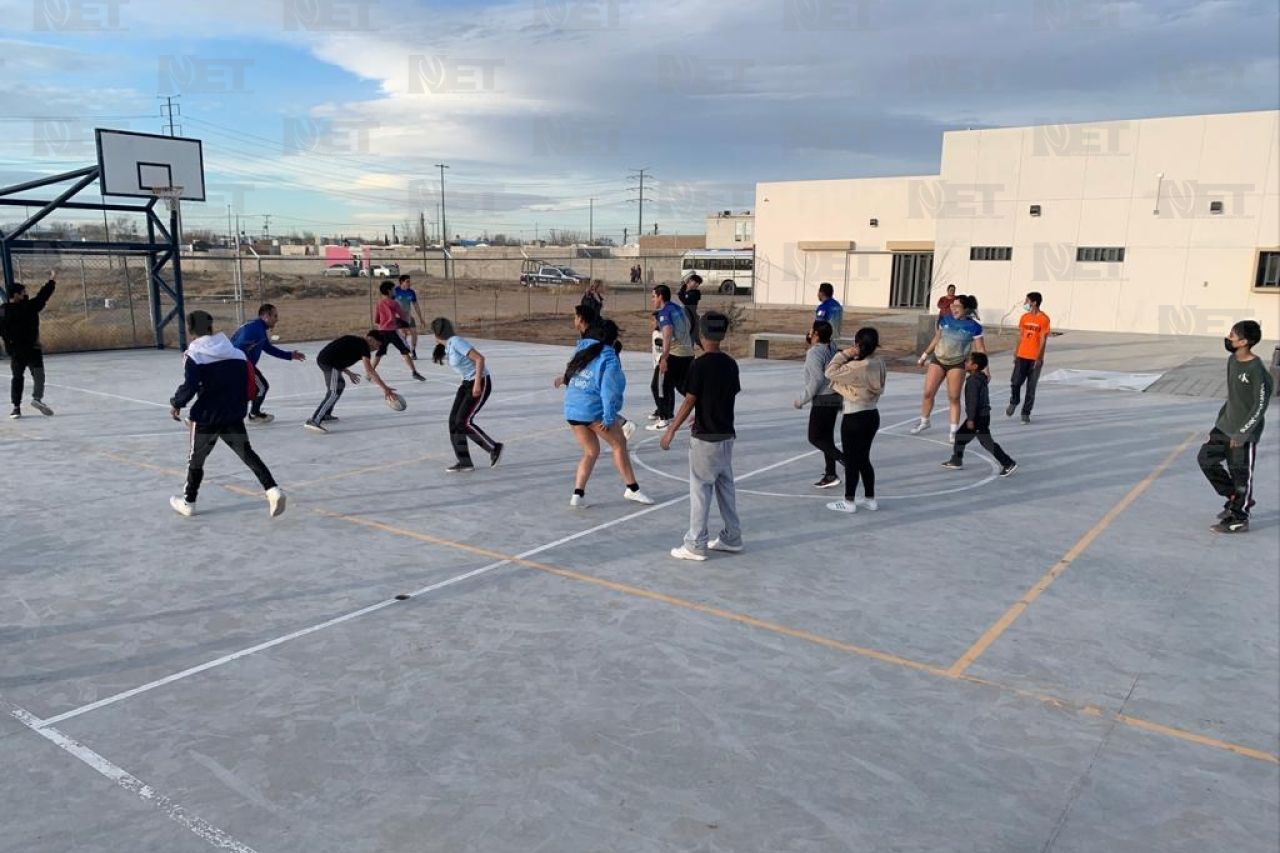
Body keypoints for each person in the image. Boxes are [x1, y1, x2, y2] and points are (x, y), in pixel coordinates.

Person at [168, 310, 285, 518]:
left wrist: (177, 403)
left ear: (190, 330)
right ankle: (273, 490)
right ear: (212, 327)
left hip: (207, 416)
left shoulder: (194, 355)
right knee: (247, 453)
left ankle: (189, 502)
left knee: (196, 460)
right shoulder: (236, 353)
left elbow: (191, 385)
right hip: (233, 413)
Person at [660, 312, 742, 561]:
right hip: (726, 435)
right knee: (725, 488)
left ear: (701, 335)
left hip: (706, 439)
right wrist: (707, 412)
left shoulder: (699, 364)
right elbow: (725, 396)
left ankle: (696, 543)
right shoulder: (730, 363)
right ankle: (732, 536)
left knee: (700, 490)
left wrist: (671, 429)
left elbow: (690, 399)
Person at [556, 307, 653, 508]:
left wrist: (564, 380)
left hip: (572, 409)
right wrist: (610, 418)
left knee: (591, 452)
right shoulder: (608, 357)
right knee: (619, 444)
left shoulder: (583, 348)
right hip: (592, 411)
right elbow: (610, 392)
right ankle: (632, 489)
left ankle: (577, 495)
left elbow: (572, 373)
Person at [1198, 320, 1272, 534]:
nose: (1228, 338)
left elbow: (1260, 405)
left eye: (1232, 335)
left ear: (1244, 341)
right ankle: (1234, 497)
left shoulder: (1257, 370)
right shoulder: (1232, 360)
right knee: (1206, 459)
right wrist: (1220, 421)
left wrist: (1242, 433)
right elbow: (1233, 396)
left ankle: (1239, 518)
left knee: (1241, 475)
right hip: (1224, 426)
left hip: (1244, 432)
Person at [824, 327, 887, 513]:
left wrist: (845, 354)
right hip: (872, 414)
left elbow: (830, 372)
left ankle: (849, 501)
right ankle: (870, 498)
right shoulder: (879, 362)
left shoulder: (857, 366)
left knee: (852, 460)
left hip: (855, 416)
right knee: (864, 459)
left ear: (858, 344)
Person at [430, 317, 502, 472]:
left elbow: (479, 359)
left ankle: (494, 448)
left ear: (436, 333)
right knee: (453, 422)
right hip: (466, 383)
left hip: (480, 382)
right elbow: (464, 365)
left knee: (464, 422)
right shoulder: (448, 345)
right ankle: (464, 462)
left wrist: (476, 384)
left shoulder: (456, 341)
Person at [912, 294, 986, 441]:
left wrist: (984, 370)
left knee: (953, 397)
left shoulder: (974, 327)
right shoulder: (945, 319)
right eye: (952, 306)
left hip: (958, 363)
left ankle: (953, 431)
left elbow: (980, 350)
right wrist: (924, 356)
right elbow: (936, 338)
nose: (953, 309)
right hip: (938, 360)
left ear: (966, 309)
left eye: (957, 306)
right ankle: (924, 421)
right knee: (928, 392)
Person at [305, 331, 398, 432]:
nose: (377, 348)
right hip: (329, 362)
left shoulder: (357, 343)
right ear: (370, 339)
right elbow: (370, 370)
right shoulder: (363, 345)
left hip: (330, 361)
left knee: (339, 386)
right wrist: (385, 388)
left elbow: (339, 354)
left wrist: (349, 373)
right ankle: (314, 420)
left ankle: (326, 414)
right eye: (377, 344)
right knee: (335, 391)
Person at [942, 351, 1017, 477]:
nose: (965, 363)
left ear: (974, 366)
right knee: (960, 436)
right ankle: (956, 460)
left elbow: (973, 402)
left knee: (986, 442)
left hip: (977, 417)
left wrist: (971, 419)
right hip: (982, 415)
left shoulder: (972, 381)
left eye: (968, 362)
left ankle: (1008, 463)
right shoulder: (981, 378)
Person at [230, 303, 306, 425]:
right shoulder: (253, 330)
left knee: (253, 389)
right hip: (240, 365)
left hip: (242, 365)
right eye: (275, 316)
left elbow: (268, 348)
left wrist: (290, 355)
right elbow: (236, 348)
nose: (277, 319)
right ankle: (254, 414)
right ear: (266, 316)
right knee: (261, 387)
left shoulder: (258, 328)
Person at [792, 320, 842, 489]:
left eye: (811, 330)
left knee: (814, 437)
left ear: (816, 335)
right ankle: (830, 474)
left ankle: (846, 461)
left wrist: (802, 399)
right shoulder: (832, 346)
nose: (808, 333)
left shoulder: (814, 353)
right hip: (834, 397)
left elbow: (817, 379)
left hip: (823, 399)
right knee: (827, 438)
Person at [3, 271, 57, 419]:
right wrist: (51, 281)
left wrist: (9, 345)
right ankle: (37, 398)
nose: (25, 294)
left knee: (17, 377)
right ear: (15, 295)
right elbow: (42, 297)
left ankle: (16, 408)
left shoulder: (3, 310)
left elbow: (2, 331)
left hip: (16, 351)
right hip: (32, 348)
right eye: (23, 292)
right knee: (38, 375)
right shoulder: (30, 307)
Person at [647, 284, 695, 430]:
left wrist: (665, 358)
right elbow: (688, 326)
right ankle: (705, 405)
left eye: (654, 296)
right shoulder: (678, 308)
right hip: (688, 353)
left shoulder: (664, 313)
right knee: (681, 386)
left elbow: (667, 333)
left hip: (675, 354)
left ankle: (664, 418)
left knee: (658, 385)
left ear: (661, 297)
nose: (652, 300)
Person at [1006, 291, 1050, 424]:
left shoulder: (1044, 319)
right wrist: (1016, 351)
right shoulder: (1024, 317)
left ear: (1034, 302)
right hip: (1022, 355)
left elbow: (1043, 340)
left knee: (1031, 388)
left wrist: (1039, 357)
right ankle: (1014, 401)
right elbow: (1021, 335)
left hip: (1034, 358)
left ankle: (1026, 413)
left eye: (1027, 301)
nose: (1025, 303)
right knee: (1015, 382)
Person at [370, 280, 426, 381]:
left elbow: (376, 320)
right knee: (404, 351)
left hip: (382, 332)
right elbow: (403, 316)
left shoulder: (379, 303)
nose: (395, 291)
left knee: (379, 353)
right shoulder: (394, 303)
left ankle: (370, 372)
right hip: (392, 332)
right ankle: (414, 372)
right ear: (389, 291)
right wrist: (402, 322)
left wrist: (384, 322)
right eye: (393, 289)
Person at [394, 274, 427, 359]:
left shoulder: (411, 292)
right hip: (398, 317)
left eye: (409, 281)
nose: (409, 283)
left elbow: (416, 305)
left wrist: (421, 318)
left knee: (414, 334)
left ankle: (413, 351)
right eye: (407, 281)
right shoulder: (395, 291)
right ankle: (405, 351)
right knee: (403, 334)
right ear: (402, 282)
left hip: (408, 316)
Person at [678, 272, 704, 350]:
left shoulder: (696, 293)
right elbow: (681, 296)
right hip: (685, 316)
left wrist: (685, 286)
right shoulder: (684, 291)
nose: (696, 285)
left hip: (691, 316)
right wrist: (685, 285)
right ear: (690, 280)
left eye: (698, 284)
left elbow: (685, 300)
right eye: (695, 282)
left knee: (691, 335)